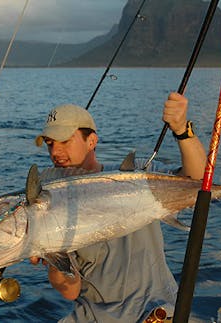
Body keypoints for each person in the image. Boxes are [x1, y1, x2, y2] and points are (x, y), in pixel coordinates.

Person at [31, 92, 207, 322]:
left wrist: (182, 130)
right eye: (50, 144)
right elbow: (70, 290)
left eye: (65, 141)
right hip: (97, 315)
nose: (55, 152)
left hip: (155, 308)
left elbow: (197, 182)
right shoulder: (53, 202)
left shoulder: (132, 176)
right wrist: (53, 257)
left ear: (91, 141)